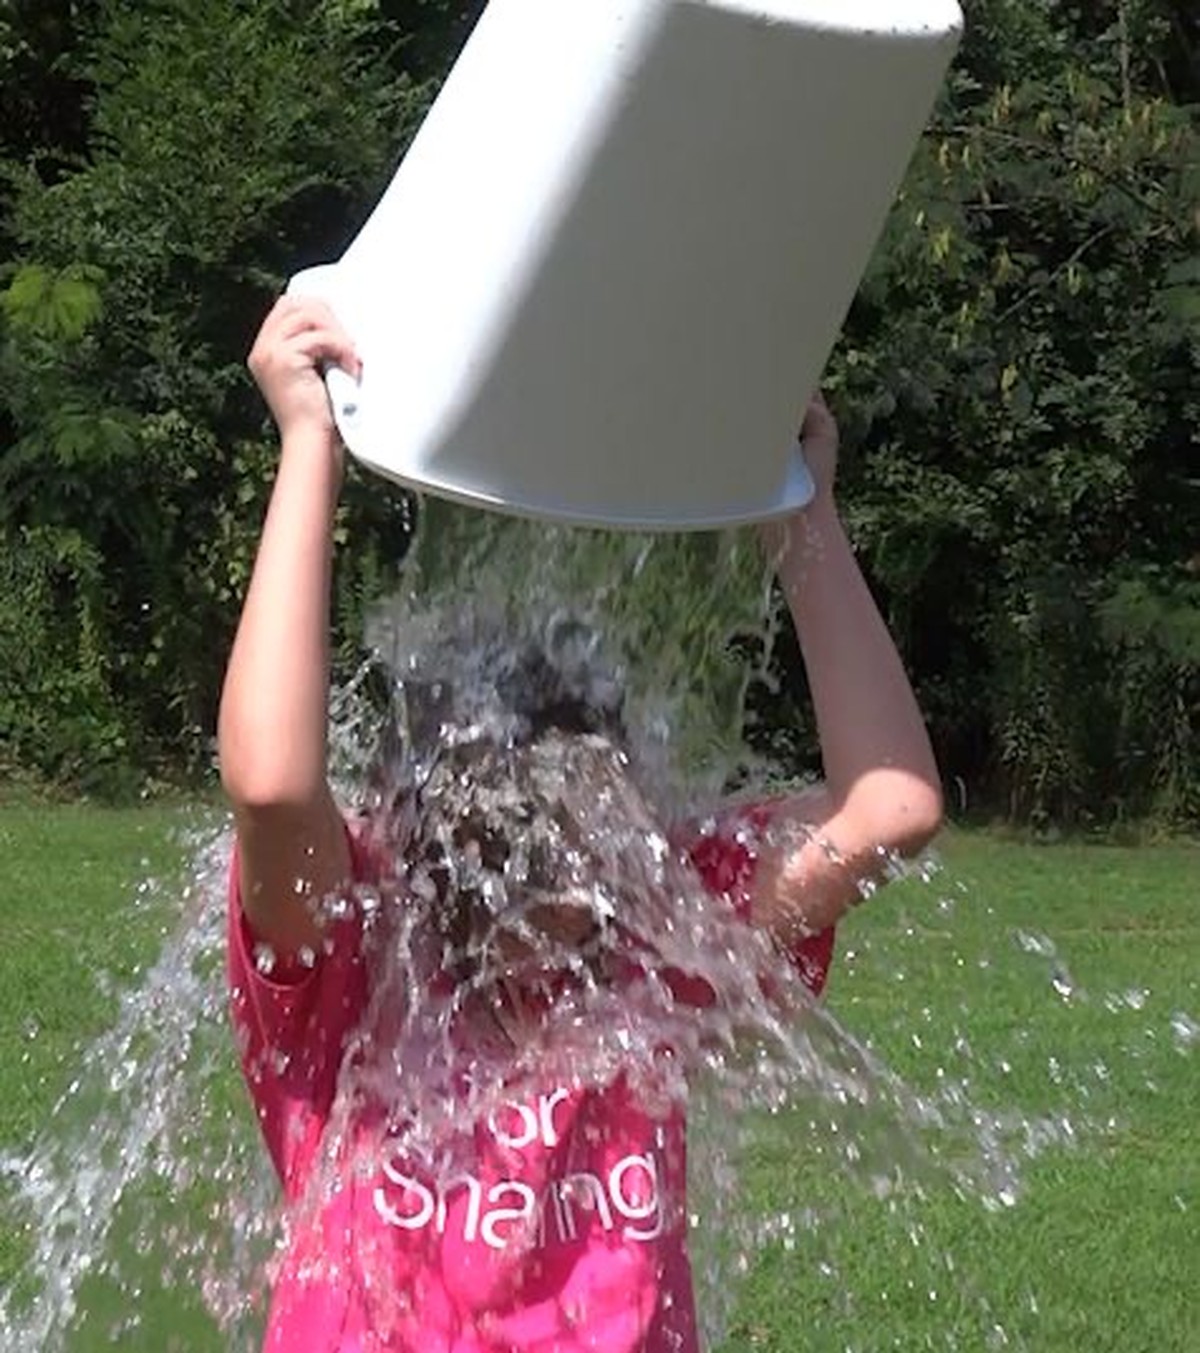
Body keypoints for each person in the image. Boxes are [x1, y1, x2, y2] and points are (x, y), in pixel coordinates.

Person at [218, 295, 943, 1352]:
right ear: (418, 827)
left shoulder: (653, 935)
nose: (534, 903)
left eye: (563, 856)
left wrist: (800, 514)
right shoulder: (353, 955)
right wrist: (308, 445)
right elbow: (275, 787)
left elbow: (891, 808)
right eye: (497, 860)